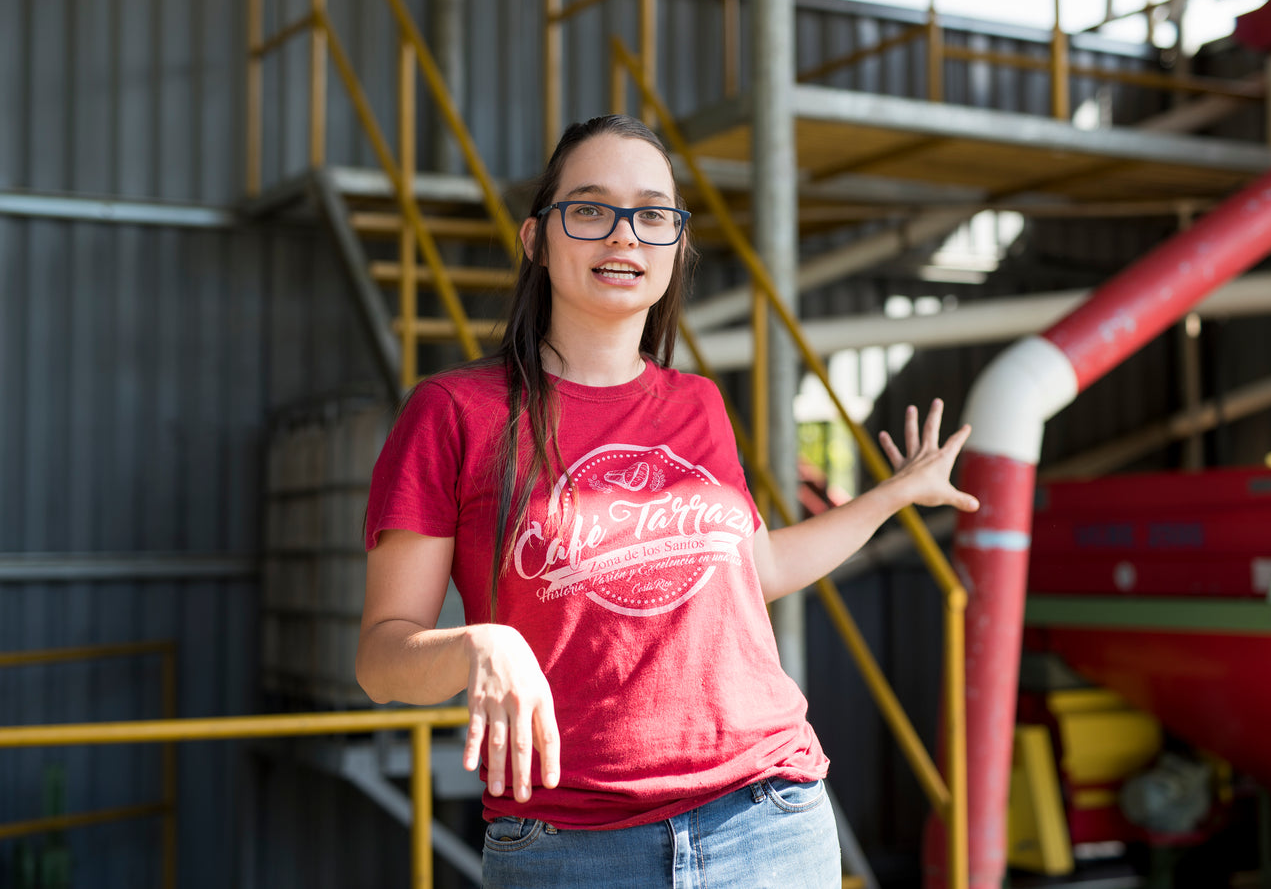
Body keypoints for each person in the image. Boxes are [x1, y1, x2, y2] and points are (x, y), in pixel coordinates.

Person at [356, 114, 979, 888]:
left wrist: (893, 496)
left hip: (769, 818)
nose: (624, 236)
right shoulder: (457, 412)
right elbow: (381, 660)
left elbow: (760, 567)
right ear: (534, 238)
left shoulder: (698, 404)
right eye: (589, 209)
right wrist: (480, 645)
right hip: (571, 844)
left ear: (676, 245)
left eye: (652, 214)